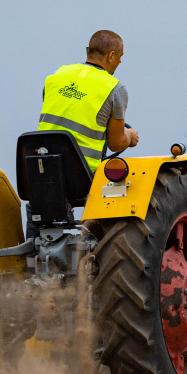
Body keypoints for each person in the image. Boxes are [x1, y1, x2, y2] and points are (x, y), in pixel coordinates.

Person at [28, 30, 140, 239]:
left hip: (42, 171)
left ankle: (31, 253)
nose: (120, 62)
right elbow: (116, 144)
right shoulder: (115, 89)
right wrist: (130, 137)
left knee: (38, 207)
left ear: (88, 51)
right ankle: (97, 245)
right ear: (111, 56)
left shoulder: (56, 76)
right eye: (121, 57)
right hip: (82, 177)